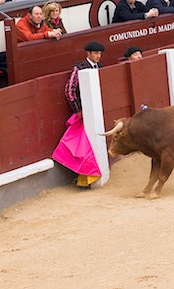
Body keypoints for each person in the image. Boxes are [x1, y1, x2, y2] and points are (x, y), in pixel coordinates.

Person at [52, 42, 106, 189]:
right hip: (85, 113)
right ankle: (83, 178)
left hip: (99, 112)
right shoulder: (80, 67)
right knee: (83, 146)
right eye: (95, 53)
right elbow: (69, 90)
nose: (98, 56)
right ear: (88, 53)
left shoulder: (100, 68)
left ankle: (87, 178)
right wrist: (78, 110)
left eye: (100, 53)